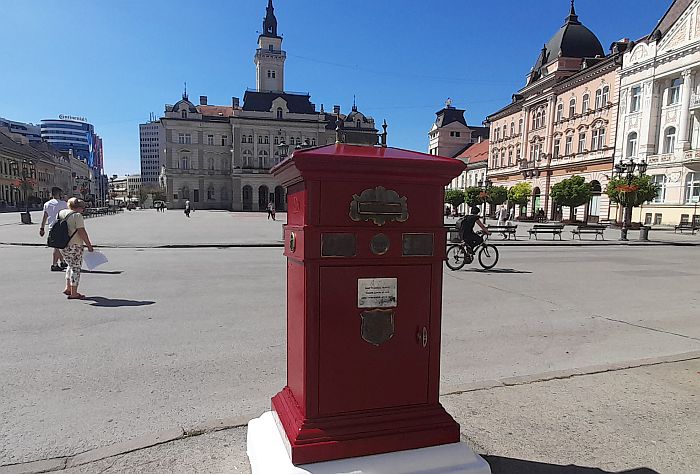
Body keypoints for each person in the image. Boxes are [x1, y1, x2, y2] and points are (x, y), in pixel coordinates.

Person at [57, 198, 94, 300]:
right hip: (75, 245)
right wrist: (89, 245)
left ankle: (68, 287)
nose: (83, 210)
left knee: (70, 265)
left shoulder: (61, 213)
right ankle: (74, 292)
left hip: (62, 244)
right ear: (79, 207)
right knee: (76, 268)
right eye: (83, 208)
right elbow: (82, 232)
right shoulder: (77, 216)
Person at [40, 187, 68, 272]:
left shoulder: (47, 204)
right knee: (57, 247)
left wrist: (42, 228)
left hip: (51, 227)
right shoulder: (63, 204)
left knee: (59, 246)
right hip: (60, 227)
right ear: (59, 194)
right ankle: (54, 265)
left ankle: (62, 262)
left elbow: (45, 216)